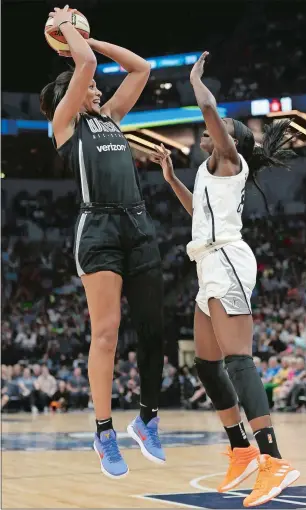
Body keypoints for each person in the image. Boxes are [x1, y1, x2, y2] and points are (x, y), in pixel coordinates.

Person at [151, 51, 299, 507]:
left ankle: (274, 460)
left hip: (229, 262)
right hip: (209, 262)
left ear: (228, 140)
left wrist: (196, 80)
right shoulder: (208, 172)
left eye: (218, 130)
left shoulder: (231, 160)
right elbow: (199, 215)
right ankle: (240, 449)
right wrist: (173, 179)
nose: (208, 131)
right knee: (207, 364)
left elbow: (212, 111)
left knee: (238, 361)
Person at [40, 6, 165, 479]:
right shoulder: (65, 125)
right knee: (107, 333)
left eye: (93, 88)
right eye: (84, 87)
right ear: (65, 99)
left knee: (154, 329)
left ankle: (147, 419)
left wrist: (91, 38)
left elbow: (142, 68)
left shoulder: (111, 116)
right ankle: (104, 432)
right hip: (98, 232)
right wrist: (69, 31)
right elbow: (85, 66)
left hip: (136, 225)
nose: (94, 89)